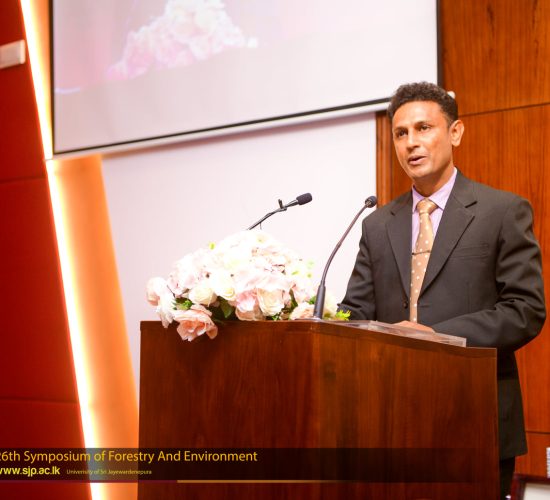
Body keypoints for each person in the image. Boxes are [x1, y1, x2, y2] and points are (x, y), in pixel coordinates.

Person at [339, 82, 546, 499]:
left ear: (455, 132)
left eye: (423, 128)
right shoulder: (377, 225)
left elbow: (525, 310)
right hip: (390, 423)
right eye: (401, 133)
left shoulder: (502, 211)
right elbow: (355, 313)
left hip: (474, 418)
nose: (411, 143)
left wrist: (436, 337)